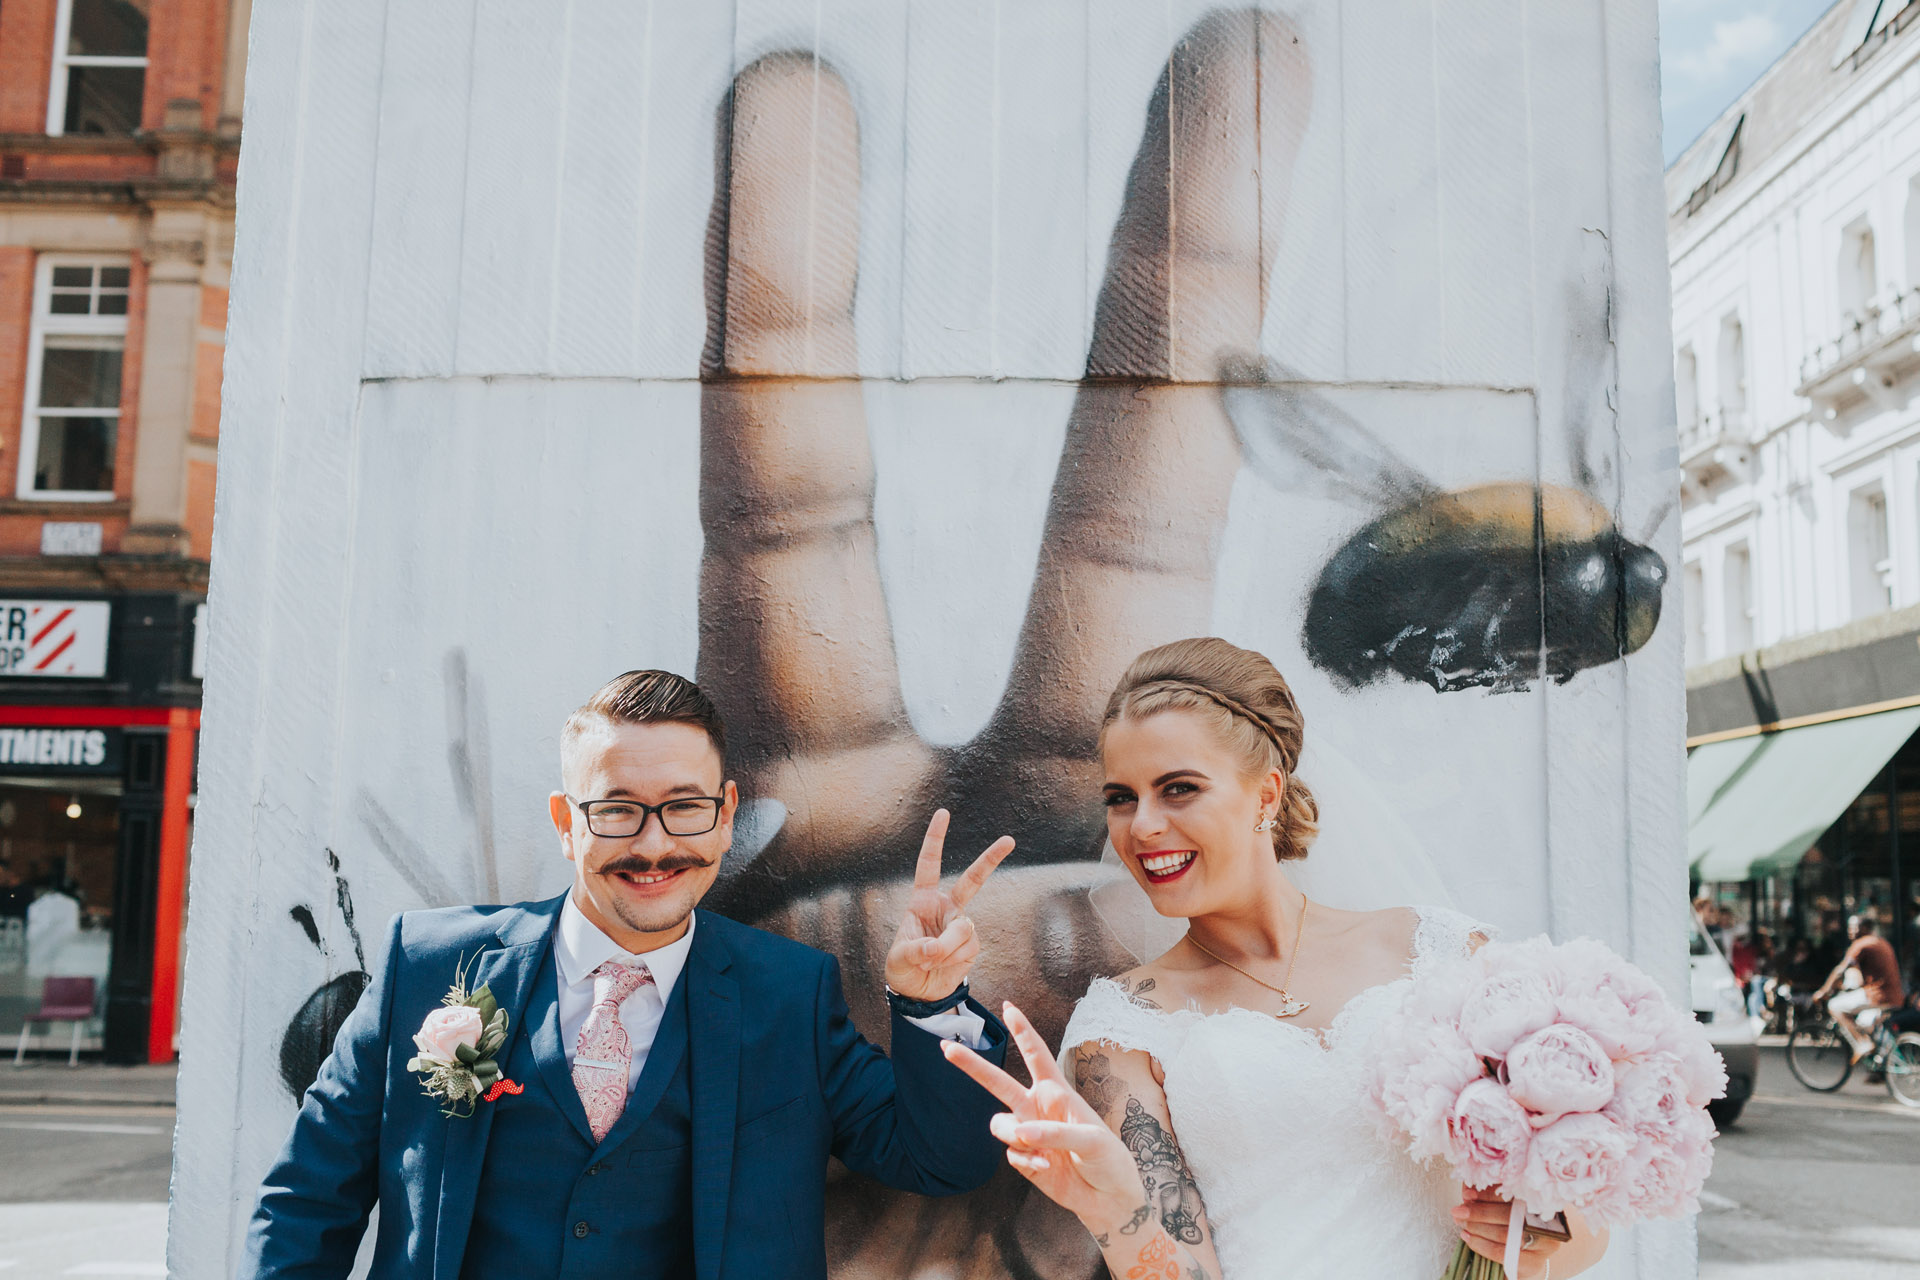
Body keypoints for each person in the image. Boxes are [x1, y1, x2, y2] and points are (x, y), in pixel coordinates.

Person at [243, 669, 1015, 1278]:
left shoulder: (791, 995)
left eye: (683, 807)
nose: (653, 846)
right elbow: (307, 1202)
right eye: (616, 810)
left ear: (723, 812)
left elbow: (939, 1160)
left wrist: (931, 1002)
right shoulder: (429, 963)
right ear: (564, 821)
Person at [947, 638, 1608, 1280]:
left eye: (1177, 788)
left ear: (1266, 795)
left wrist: (1547, 1233)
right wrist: (1116, 1207)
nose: (1141, 825)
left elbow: (1581, 1228)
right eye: (1121, 797)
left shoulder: (1443, 952)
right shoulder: (1122, 1030)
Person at [1811, 913, 1907, 1061]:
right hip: (1894, 996)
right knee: (1864, 1022)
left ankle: (1862, 1043)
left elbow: (1840, 970)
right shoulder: (1882, 942)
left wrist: (1823, 991)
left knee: (1835, 1005)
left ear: (1866, 928)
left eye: (1855, 927)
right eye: (1850, 927)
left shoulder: (1861, 944)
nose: (1851, 930)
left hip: (1878, 995)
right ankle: (1881, 1064)